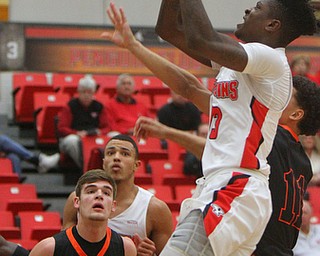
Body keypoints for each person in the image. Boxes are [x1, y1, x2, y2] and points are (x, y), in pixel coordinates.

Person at [102, 1, 318, 254]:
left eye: (258, 8)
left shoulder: (270, 60)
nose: (248, 11)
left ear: (272, 25)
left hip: (236, 186)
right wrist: (134, 45)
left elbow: (201, 39)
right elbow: (170, 33)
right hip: (227, 188)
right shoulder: (244, 66)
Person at [134, 75, 320, 255]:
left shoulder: (270, 138)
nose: (278, 96)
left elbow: (216, 150)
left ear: (296, 114)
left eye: (286, 95)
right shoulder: (304, 164)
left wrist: (167, 132)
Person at [62, 134, 173, 256]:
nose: (116, 157)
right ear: (104, 163)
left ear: (136, 165)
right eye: (110, 153)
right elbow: (65, 249)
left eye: (125, 154)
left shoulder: (155, 208)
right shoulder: (78, 199)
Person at [29, 169, 137, 256]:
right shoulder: (48, 249)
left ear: (113, 206)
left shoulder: (125, 248)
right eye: (91, 191)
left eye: (106, 193)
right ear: (77, 202)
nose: (99, 195)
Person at [57, 75, 110, 170]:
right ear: (78, 92)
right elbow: (62, 128)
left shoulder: (99, 107)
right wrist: (76, 133)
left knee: (115, 136)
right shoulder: (70, 106)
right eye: (83, 92)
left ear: (93, 93)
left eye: (89, 92)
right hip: (76, 137)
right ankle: (87, 168)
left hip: (94, 136)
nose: (86, 95)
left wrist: (99, 132)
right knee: (71, 141)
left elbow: (107, 126)